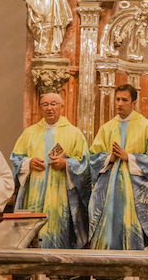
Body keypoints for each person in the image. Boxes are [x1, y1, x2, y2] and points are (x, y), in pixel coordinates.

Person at [89, 84, 148, 250]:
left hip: (136, 195)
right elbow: (93, 158)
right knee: (108, 239)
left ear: (134, 103)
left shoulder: (147, 128)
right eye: (117, 99)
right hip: (109, 194)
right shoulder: (107, 128)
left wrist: (129, 158)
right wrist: (110, 158)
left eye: (124, 100)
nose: (120, 104)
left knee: (132, 237)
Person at [10, 93, 91, 248]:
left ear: (62, 107)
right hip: (34, 194)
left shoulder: (74, 133)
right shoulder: (29, 133)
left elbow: (84, 165)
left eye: (53, 104)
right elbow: (16, 159)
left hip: (61, 197)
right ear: (40, 108)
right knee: (34, 238)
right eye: (45, 104)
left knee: (57, 235)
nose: (49, 108)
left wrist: (66, 164)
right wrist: (28, 163)